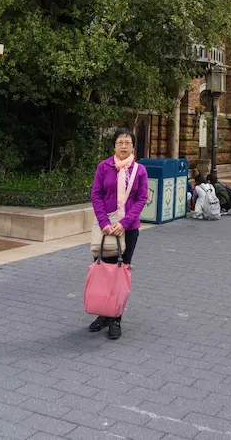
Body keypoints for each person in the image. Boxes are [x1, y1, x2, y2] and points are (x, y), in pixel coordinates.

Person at [88, 127, 148, 339]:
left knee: (120, 274)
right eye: (120, 142)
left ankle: (116, 318)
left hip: (128, 230)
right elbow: (96, 194)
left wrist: (124, 222)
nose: (123, 145)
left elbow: (141, 199)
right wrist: (104, 222)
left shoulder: (139, 170)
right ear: (114, 145)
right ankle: (103, 315)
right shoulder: (104, 167)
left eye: (127, 142)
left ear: (133, 146)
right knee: (104, 272)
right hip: (105, 230)